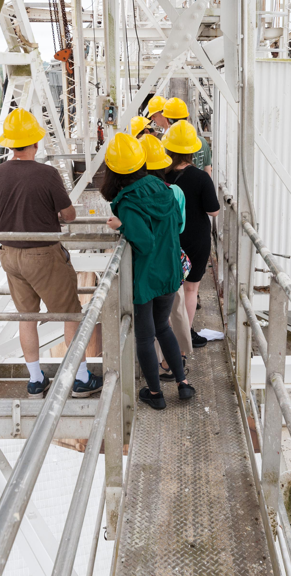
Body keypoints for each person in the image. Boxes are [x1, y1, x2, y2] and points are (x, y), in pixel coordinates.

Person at [0, 108, 103, 399]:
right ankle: (81, 378)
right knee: (70, 314)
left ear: (10, 143)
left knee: (27, 317)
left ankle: (36, 381)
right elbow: (70, 215)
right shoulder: (47, 174)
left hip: (10, 255)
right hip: (44, 255)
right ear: (35, 142)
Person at [101, 132, 195, 410]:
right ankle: (182, 383)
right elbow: (177, 222)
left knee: (144, 336)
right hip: (170, 272)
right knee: (164, 327)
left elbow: (143, 241)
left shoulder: (127, 201)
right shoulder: (162, 187)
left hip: (145, 278)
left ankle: (155, 394)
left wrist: (121, 226)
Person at [163, 120, 220, 349]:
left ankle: (165, 333)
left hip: (168, 238)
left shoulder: (160, 176)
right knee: (191, 288)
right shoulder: (201, 177)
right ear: (193, 151)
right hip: (195, 238)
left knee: (169, 289)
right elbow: (213, 210)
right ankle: (184, 335)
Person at [140, 133, 192, 379]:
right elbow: (179, 227)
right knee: (176, 311)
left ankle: (158, 370)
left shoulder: (134, 197)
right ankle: (180, 358)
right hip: (173, 259)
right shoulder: (176, 192)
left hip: (147, 268)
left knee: (149, 325)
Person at [163, 96, 212, 176]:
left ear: (167, 120)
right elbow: (208, 172)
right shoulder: (202, 142)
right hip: (198, 186)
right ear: (187, 118)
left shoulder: (165, 144)